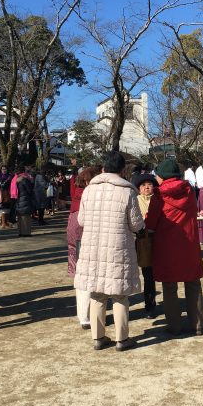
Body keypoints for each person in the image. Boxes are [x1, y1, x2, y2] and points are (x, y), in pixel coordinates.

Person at [74, 151, 145, 352]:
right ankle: (122, 339)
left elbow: (81, 221)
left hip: (93, 248)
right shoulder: (127, 191)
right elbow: (136, 223)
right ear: (122, 170)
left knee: (97, 294)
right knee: (120, 295)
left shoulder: (89, 190)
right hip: (118, 248)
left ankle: (98, 337)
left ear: (104, 168)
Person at [146, 159, 203, 335]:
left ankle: (174, 325)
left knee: (169, 286)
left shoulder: (158, 196)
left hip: (167, 246)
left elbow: (151, 222)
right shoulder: (189, 191)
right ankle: (198, 324)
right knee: (193, 282)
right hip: (189, 243)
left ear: (162, 177)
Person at [66, 166, 101, 330]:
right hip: (85, 238)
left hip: (74, 240)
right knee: (89, 277)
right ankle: (88, 315)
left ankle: (83, 315)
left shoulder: (76, 196)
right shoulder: (90, 195)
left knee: (80, 278)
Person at [131, 173, 158, 319]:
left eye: (149, 184)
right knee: (143, 275)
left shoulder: (159, 200)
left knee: (155, 274)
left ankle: (153, 305)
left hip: (157, 240)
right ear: (138, 188)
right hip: (141, 241)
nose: (146, 187)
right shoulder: (135, 201)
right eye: (143, 185)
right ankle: (147, 306)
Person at [15, 166, 35, 236]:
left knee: (20, 217)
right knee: (26, 217)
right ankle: (26, 233)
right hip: (25, 199)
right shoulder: (24, 179)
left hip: (18, 199)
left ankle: (20, 232)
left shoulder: (16, 179)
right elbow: (29, 190)